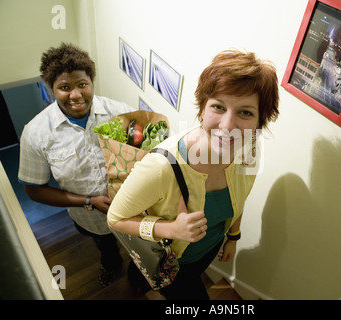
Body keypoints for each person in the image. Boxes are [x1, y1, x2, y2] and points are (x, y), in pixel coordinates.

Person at [107, 49, 279, 299]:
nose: (227, 125)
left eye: (245, 112)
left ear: (259, 123)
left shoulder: (248, 153)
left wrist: (232, 237)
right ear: (202, 110)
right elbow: (115, 219)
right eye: (218, 106)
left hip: (207, 251)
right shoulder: (160, 167)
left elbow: (240, 198)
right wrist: (170, 230)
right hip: (174, 261)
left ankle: (142, 282)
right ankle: (142, 283)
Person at [18, 43, 135, 287]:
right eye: (64, 87)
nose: (76, 95)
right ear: (50, 89)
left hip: (132, 208)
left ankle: (139, 276)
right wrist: (88, 201)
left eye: (82, 84)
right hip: (89, 217)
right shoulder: (36, 133)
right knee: (106, 246)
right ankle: (111, 265)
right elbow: (34, 189)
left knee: (138, 247)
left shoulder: (121, 112)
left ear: (91, 82)